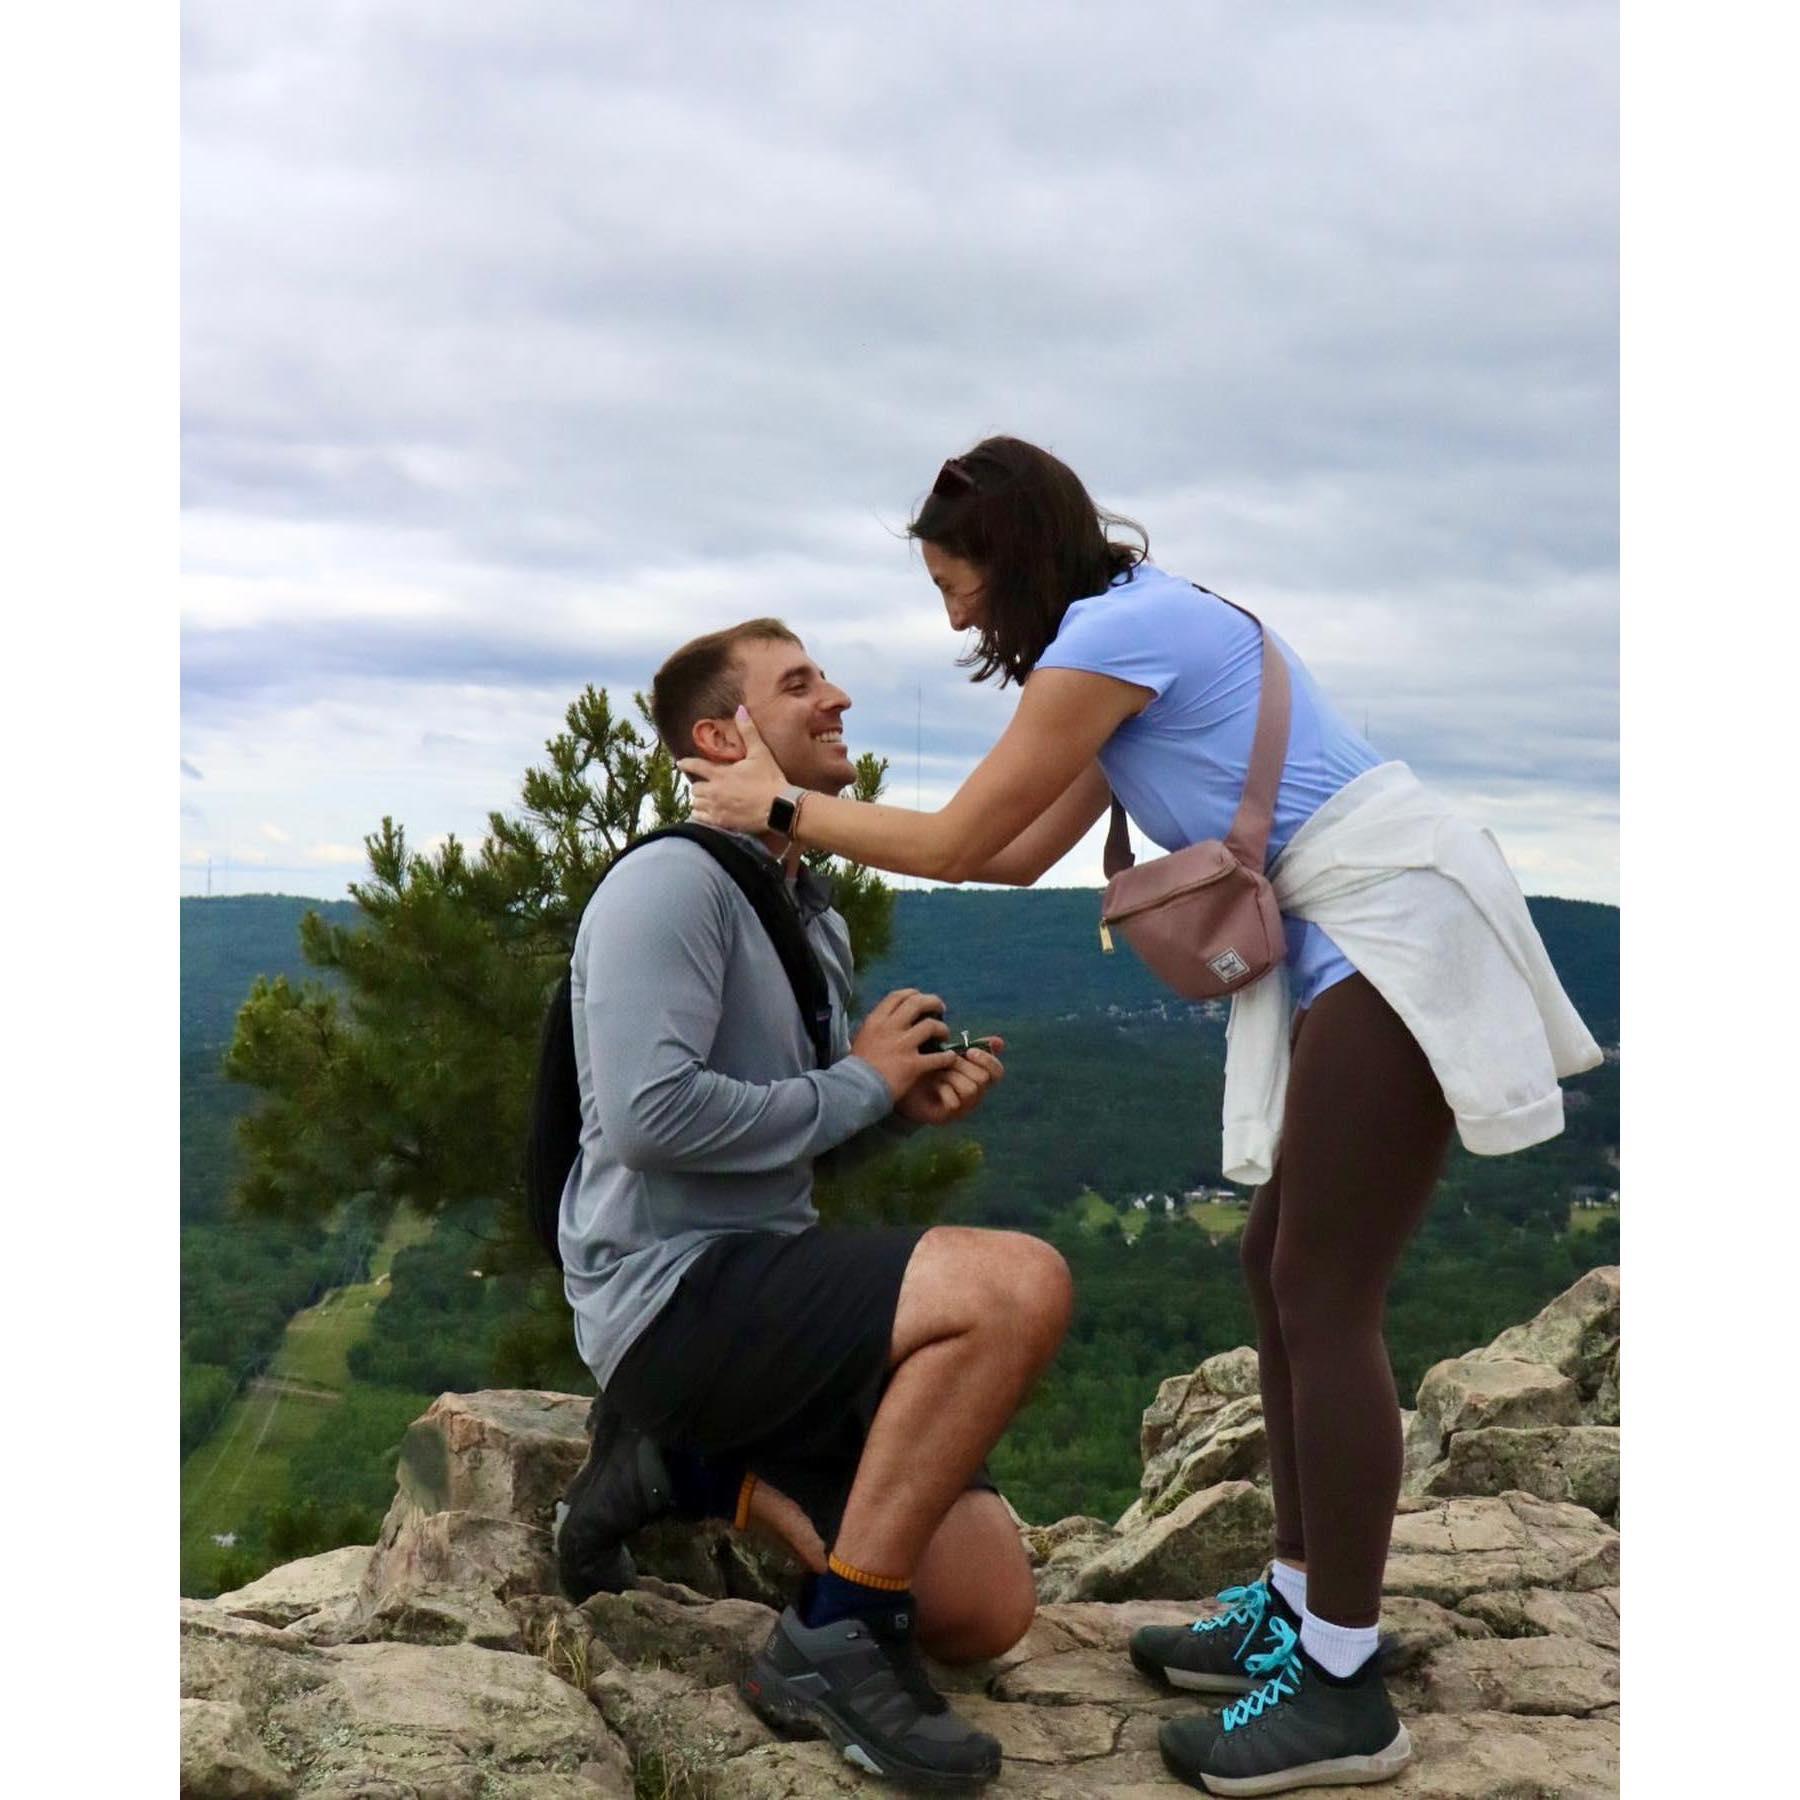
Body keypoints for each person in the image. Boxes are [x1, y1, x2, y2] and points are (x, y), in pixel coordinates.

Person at [679, 438, 1602, 1797]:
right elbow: (1003, 853)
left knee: (1324, 1290)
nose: (952, 620)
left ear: (1008, 554)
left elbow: (946, 844)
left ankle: (1343, 1687)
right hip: (1359, 929)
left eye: (955, 583)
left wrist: (785, 805)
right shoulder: (1127, 647)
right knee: (1276, 1266)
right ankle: (1298, 1606)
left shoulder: (1123, 634)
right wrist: (806, 819)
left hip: (1399, 924)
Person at [555, 614, 1073, 1791]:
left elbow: (786, 1144)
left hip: (766, 1284)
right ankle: (832, 1637)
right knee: (1018, 1281)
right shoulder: (671, 887)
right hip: (672, 1297)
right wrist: (857, 1082)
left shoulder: (807, 913)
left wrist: (894, 1107)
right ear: (719, 736)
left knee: (985, 1610)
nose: (837, 697)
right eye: (800, 685)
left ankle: (672, 1474)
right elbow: (651, 1123)